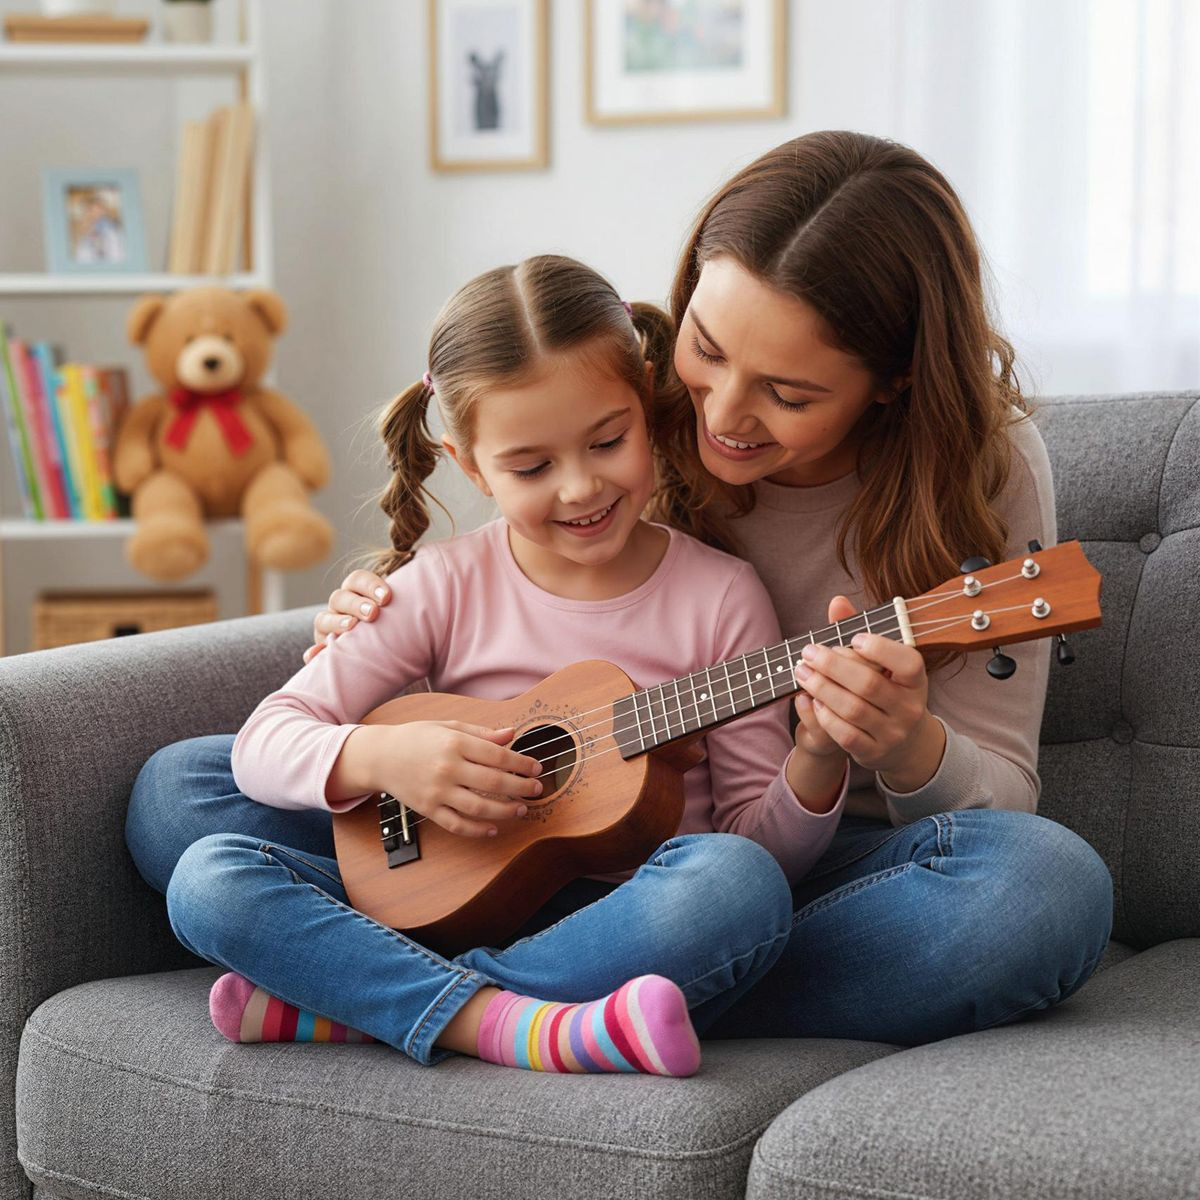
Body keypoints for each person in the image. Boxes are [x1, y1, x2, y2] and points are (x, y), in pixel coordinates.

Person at [313, 131, 1114, 1045]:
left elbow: (1004, 793)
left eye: (789, 395)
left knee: (1045, 889)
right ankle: (589, 990)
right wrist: (379, 631)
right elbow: (513, 561)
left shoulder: (984, 468)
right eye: (707, 347)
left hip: (792, 868)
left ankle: (446, 998)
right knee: (195, 793)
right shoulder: (627, 412)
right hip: (526, 836)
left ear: (894, 382)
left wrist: (905, 744)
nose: (722, 415)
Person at [125, 254, 849, 1076]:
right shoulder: (445, 582)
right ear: (470, 464)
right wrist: (385, 756)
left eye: (608, 441)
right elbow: (267, 738)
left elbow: (759, 845)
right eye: (532, 467)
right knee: (191, 834)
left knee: (737, 884)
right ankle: (514, 1023)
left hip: (617, 918)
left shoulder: (721, 596)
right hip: (437, 884)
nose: (580, 488)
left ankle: (368, 997)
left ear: (647, 402)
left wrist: (817, 758)